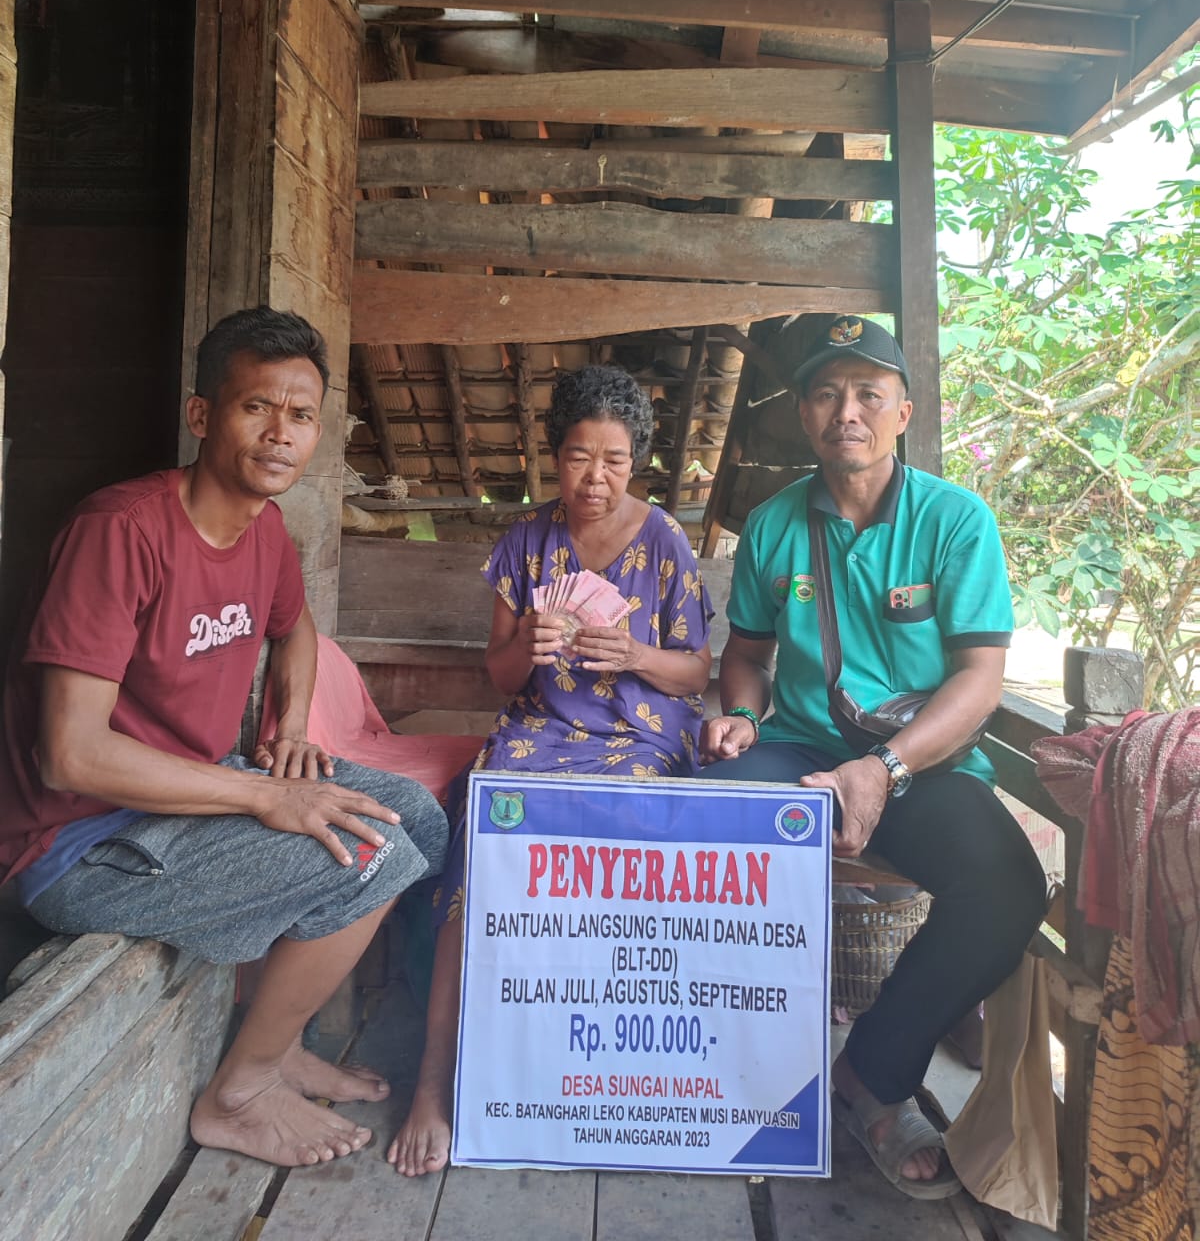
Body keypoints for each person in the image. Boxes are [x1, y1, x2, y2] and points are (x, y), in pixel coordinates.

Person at [0, 307, 448, 1169]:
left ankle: (283, 1044)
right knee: (370, 853)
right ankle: (240, 1093)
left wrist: (291, 727)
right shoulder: (120, 532)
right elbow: (71, 754)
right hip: (78, 842)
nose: (282, 434)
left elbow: (296, 627)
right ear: (203, 414)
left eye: (302, 415)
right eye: (256, 407)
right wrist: (265, 792)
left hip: (190, 798)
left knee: (417, 819)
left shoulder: (264, 530)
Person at [701, 314, 1046, 1202]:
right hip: (800, 747)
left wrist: (884, 770)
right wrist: (739, 717)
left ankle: (872, 1078)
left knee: (1007, 888)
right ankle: (708, 1071)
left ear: (903, 411)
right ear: (803, 414)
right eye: (825, 393)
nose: (845, 411)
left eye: (866, 393)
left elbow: (978, 678)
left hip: (922, 763)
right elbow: (747, 654)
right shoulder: (773, 524)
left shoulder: (955, 520)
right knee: (706, 826)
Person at [388, 364, 713, 1177]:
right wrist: (528, 649)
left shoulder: (665, 540)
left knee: (622, 823)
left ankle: (596, 1071)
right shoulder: (525, 542)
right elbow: (500, 678)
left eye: (614, 460)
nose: (594, 478)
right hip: (541, 729)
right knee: (483, 838)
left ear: (635, 461)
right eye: (578, 457)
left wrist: (634, 654)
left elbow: (696, 673)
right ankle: (435, 1079)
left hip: (638, 737)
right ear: (554, 456)